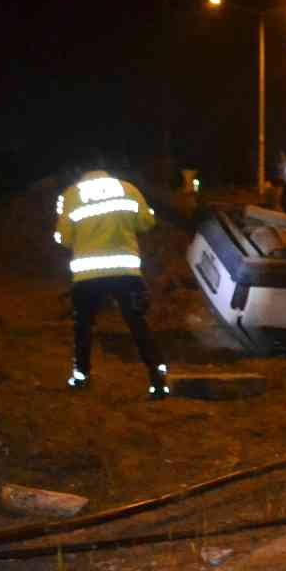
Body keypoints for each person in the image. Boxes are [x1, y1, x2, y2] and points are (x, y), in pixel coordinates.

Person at [54, 157, 170, 399]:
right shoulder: (128, 189)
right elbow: (147, 222)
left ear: (81, 173)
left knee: (83, 326)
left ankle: (82, 375)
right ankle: (157, 378)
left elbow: (64, 238)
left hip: (87, 275)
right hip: (125, 272)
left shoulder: (71, 195)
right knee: (137, 323)